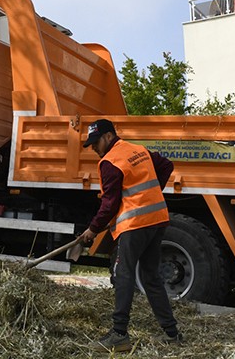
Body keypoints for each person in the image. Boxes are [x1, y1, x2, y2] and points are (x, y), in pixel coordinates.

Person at [79, 119, 182, 352]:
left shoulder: (110, 162)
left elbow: (109, 205)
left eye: (95, 143)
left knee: (123, 274)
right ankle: (172, 334)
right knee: (151, 278)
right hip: (156, 221)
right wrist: (152, 194)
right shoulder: (138, 150)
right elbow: (166, 165)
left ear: (107, 136)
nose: (94, 148)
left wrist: (92, 229)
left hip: (134, 225)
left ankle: (119, 334)